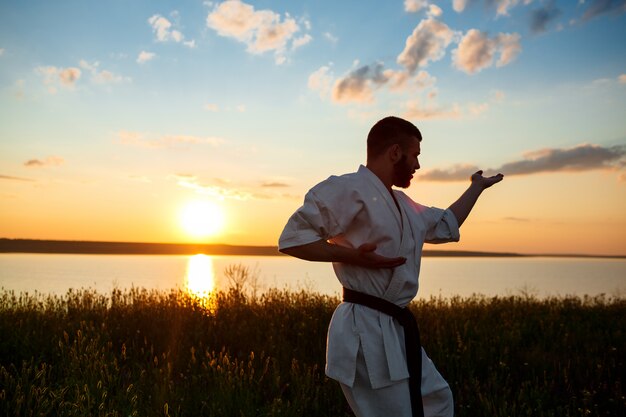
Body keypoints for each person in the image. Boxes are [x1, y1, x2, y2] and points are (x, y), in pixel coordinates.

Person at [278, 116, 503, 417]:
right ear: (395, 152)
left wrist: (477, 188)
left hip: (395, 327)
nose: (418, 165)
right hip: (365, 328)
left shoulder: (405, 205)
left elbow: (446, 224)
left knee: (437, 401)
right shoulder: (349, 189)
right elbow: (293, 239)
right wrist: (353, 256)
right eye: (416, 155)